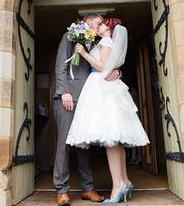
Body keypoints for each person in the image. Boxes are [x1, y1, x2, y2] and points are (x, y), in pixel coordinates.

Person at [66, 18, 150, 204]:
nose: (100, 26)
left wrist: (84, 53)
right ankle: (124, 181)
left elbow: (103, 67)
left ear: (109, 29)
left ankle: (118, 185)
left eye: (103, 24)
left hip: (101, 87)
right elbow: (111, 65)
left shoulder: (105, 41)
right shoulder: (107, 42)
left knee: (111, 139)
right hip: (108, 88)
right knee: (115, 139)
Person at [53, 13, 120, 206]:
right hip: (67, 98)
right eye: (98, 23)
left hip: (87, 100)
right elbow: (60, 66)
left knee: (84, 146)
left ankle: (88, 189)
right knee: (64, 145)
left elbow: (106, 63)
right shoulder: (69, 37)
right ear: (87, 22)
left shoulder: (96, 43)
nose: (99, 27)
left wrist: (117, 72)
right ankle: (62, 190)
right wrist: (64, 91)